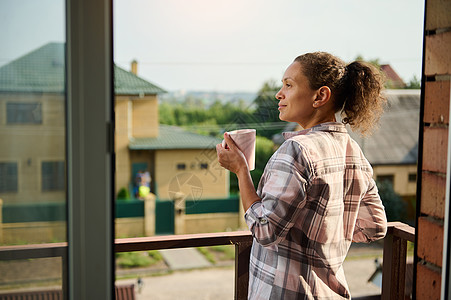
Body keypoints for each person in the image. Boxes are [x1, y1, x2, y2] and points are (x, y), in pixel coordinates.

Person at [216, 52, 388, 299]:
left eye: (289, 85)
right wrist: (323, 234)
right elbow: (374, 227)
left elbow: (264, 231)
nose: (279, 93)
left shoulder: (297, 150)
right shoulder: (354, 151)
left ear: (320, 96)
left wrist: (241, 171)